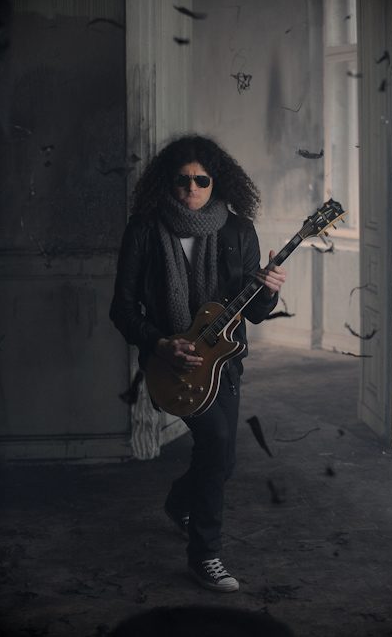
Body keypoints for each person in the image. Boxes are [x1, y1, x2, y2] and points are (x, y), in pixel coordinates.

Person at [110, 135, 286, 593]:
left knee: (221, 459)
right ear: (167, 182)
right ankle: (205, 555)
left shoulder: (239, 231)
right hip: (170, 365)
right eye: (182, 179)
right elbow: (122, 310)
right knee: (218, 443)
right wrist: (160, 344)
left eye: (201, 180)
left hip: (224, 362)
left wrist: (269, 291)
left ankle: (178, 501)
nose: (192, 188)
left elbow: (253, 312)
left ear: (216, 182)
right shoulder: (145, 229)